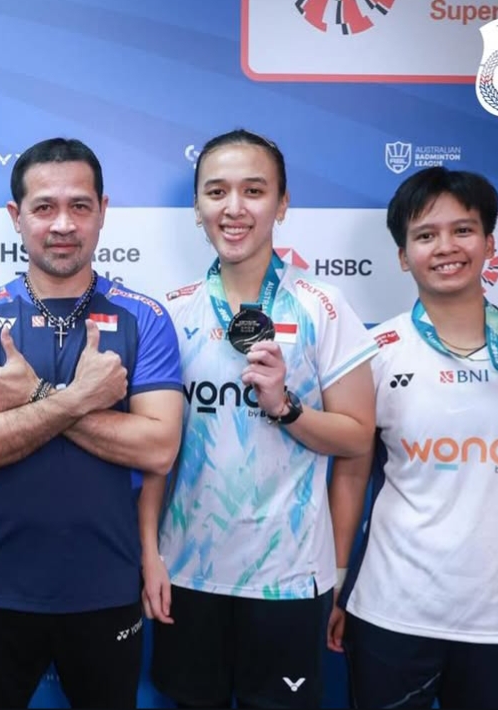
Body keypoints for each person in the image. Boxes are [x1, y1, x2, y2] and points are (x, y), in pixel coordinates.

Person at [326, 166, 498, 709]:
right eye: (425, 235)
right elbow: (352, 474)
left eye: (463, 230)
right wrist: (337, 583)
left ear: (489, 243)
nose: (446, 247)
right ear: (403, 256)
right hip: (391, 607)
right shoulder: (376, 350)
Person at [0, 137, 184, 709]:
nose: (63, 224)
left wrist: (35, 397)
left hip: (107, 584)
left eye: (80, 206)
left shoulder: (144, 317)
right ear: (16, 216)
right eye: (44, 207)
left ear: (103, 210)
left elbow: (158, 448)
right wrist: (78, 400)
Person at [143, 128, 379, 709]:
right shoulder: (169, 312)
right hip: (188, 572)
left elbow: (357, 438)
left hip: (290, 578)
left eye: (253, 191)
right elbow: (153, 455)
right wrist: (149, 551)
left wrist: (286, 407)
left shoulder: (322, 306)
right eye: (216, 192)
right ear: (197, 207)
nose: (234, 208)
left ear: (282, 203)